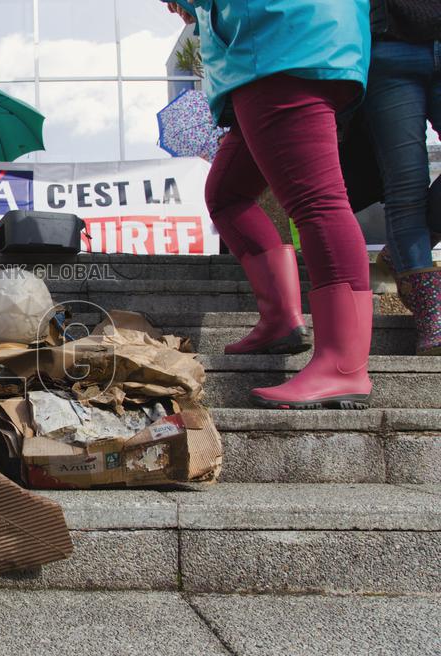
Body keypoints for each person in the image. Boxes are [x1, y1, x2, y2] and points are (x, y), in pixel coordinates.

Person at [165, 0, 374, 409]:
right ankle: (281, 318)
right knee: (227, 194)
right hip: (287, 39)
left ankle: (343, 366)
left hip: (278, 41)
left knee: (318, 202)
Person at [361, 0, 441, 355]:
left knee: (406, 188)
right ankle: (431, 315)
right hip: (388, 45)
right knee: (406, 183)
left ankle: (404, 255)